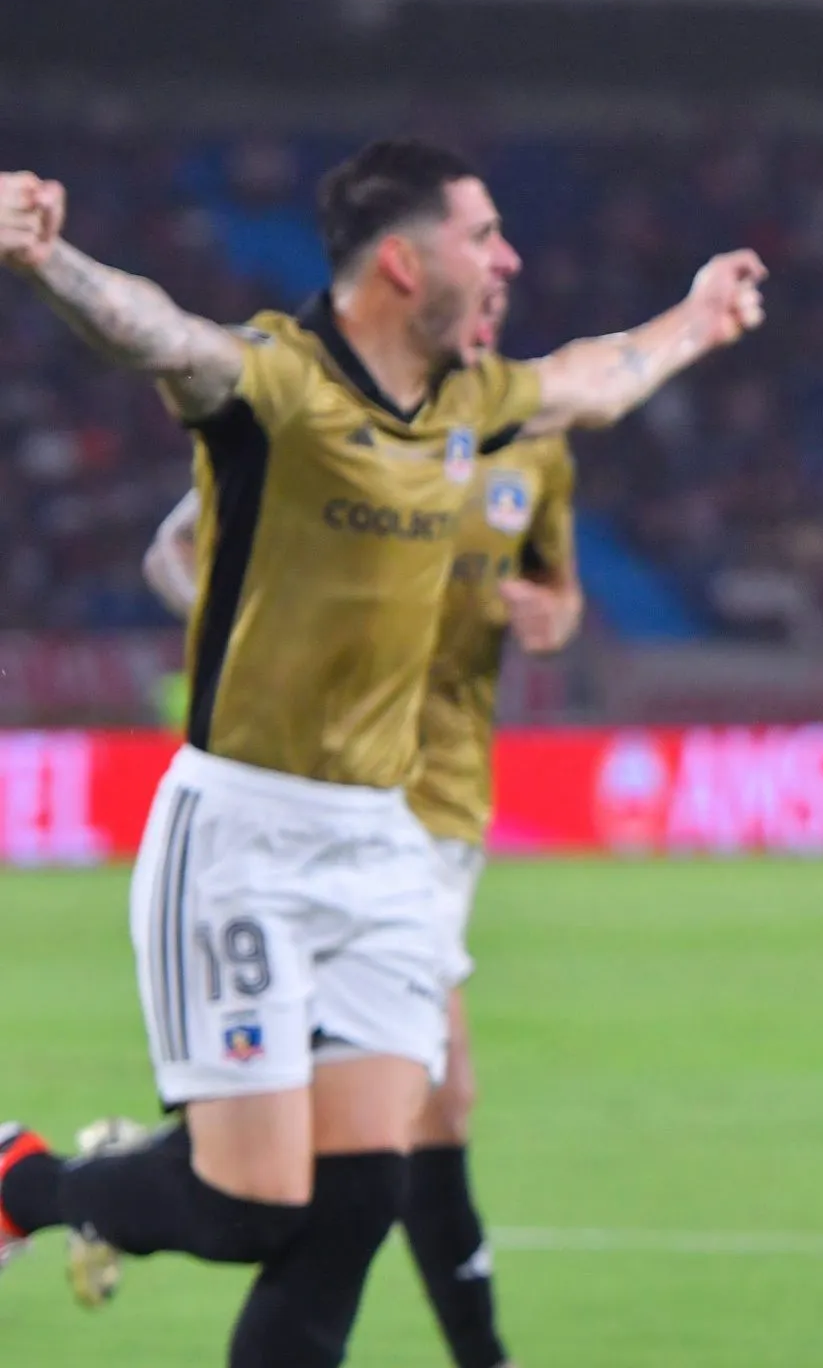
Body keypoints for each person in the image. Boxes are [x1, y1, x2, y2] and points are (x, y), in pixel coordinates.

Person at [0, 138, 761, 1368]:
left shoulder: (476, 404)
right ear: (404, 263)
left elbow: (590, 381)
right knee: (251, 1204)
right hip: (241, 834)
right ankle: (23, 1185)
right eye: (483, 235)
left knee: (357, 1202)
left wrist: (693, 321)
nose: (508, 257)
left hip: (384, 846)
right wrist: (47, 259)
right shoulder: (282, 386)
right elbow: (160, 334)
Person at [139, 415, 579, 1368]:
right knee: (406, 1126)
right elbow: (175, 550)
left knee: (374, 1145)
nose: (497, 266)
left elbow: (560, 593)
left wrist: (551, 614)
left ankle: (78, 1181)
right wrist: (253, 650)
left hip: (447, 811)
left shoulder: (536, 438)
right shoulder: (336, 415)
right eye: (480, 255)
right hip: (349, 808)